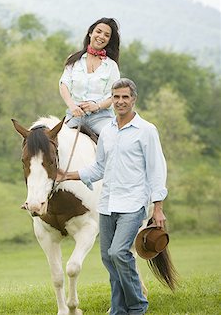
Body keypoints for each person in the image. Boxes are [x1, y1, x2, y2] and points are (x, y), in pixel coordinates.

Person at [57, 78, 168, 315]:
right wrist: (67, 175)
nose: (120, 102)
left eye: (125, 97)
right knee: (109, 258)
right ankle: (118, 309)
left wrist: (158, 207)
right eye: (116, 97)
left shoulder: (146, 130)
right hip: (107, 204)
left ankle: (137, 306)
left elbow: (157, 170)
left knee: (119, 252)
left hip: (134, 203)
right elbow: (98, 169)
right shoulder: (107, 131)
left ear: (133, 99)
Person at [59, 17, 120, 135]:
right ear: (90, 33)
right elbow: (64, 85)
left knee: (113, 139)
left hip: (101, 118)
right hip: (75, 115)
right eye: (98, 32)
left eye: (106, 35)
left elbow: (113, 96)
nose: (101, 36)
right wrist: (72, 106)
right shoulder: (74, 60)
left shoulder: (111, 66)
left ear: (109, 40)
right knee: (54, 142)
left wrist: (97, 106)